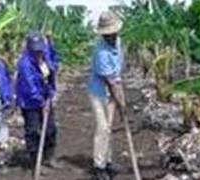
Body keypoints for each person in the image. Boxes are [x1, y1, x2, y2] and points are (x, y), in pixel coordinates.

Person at [88, 11, 126, 180]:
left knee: (109, 128)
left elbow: (117, 79)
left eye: (113, 33)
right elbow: (111, 83)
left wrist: (121, 103)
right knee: (102, 128)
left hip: (113, 89)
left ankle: (108, 161)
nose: (111, 36)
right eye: (108, 34)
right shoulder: (101, 53)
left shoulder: (118, 42)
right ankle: (99, 166)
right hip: (99, 93)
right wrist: (122, 105)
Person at [16, 31, 61, 171]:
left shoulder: (45, 54)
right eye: (35, 51)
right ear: (29, 49)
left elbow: (54, 66)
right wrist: (41, 102)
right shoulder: (25, 64)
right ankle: (35, 162)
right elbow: (30, 87)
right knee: (33, 131)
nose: (39, 53)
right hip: (29, 102)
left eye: (40, 49)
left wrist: (50, 95)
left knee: (51, 129)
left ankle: (49, 156)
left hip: (46, 98)